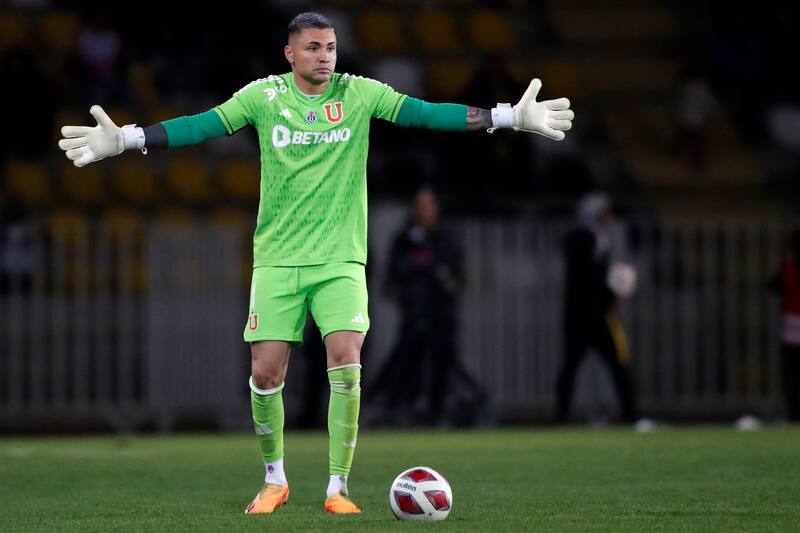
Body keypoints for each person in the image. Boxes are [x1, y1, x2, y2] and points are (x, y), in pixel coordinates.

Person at [57, 12, 574, 514]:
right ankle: (274, 480)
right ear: (290, 53)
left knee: (346, 359)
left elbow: (424, 112)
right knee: (265, 374)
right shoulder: (264, 97)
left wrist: (506, 116)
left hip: (339, 260)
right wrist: (127, 138)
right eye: (313, 48)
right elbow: (202, 125)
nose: (324, 56)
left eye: (330, 47)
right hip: (277, 260)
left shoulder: (359, 93)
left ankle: (337, 487)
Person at [369, 187, 485, 427]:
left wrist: (438, 275)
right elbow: (390, 281)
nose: (424, 211)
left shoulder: (447, 240)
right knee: (406, 366)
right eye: (420, 206)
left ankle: (438, 413)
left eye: (429, 206)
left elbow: (456, 282)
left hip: (441, 317)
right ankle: (401, 411)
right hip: (412, 317)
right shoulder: (404, 241)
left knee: (443, 366)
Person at [556, 192, 639, 424]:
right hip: (587, 317)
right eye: (603, 214)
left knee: (616, 364)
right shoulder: (580, 239)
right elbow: (589, 279)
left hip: (593, 316)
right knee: (576, 366)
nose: (607, 219)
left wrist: (613, 290)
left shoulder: (599, 239)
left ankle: (630, 414)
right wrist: (612, 287)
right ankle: (561, 416)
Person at [771, 224, 800, 421]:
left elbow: (773, 286)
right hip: (791, 331)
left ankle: (794, 416)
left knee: (792, 378)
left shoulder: (788, 269)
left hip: (791, 332)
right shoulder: (787, 269)